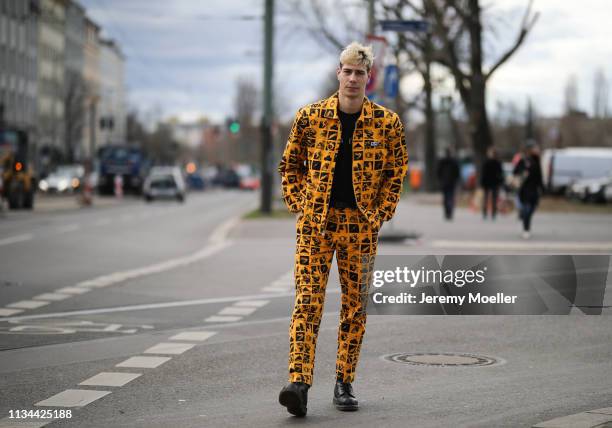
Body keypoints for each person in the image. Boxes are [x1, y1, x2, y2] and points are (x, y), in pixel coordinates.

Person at [277, 41, 408, 417]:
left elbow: (395, 172)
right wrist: (301, 205)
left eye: (360, 73)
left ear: (369, 78)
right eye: (347, 71)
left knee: (354, 306)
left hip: (360, 227)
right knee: (308, 302)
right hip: (315, 225)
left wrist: (381, 212)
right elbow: (290, 166)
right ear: (338, 73)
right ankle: (299, 383)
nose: (352, 78)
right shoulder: (310, 117)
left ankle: (344, 382)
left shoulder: (386, 123)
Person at [513, 141, 544, 239]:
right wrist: (523, 173)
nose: (537, 150)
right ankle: (526, 229)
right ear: (530, 150)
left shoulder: (537, 160)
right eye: (535, 148)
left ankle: (523, 215)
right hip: (525, 189)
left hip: (534, 189)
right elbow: (515, 172)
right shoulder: (523, 160)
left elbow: (539, 175)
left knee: (532, 208)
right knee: (527, 208)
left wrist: (542, 187)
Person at [436, 148, 460, 220]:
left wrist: (440, 179)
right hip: (452, 182)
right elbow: (457, 172)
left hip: (444, 182)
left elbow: (438, 172)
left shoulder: (442, 162)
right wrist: (456, 179)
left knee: (445, 197)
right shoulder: (454, 162)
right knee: (451, 196)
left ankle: (447, 212)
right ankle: (450, 211)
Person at [480, 147, 504, 220]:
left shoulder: (493, 162)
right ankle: (488, 213)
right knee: (488, 198)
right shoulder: (494, 162)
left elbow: (500, 174)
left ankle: (491, 213)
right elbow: (483, 173)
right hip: (491, 182)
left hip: (491, 182)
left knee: (491, 198)